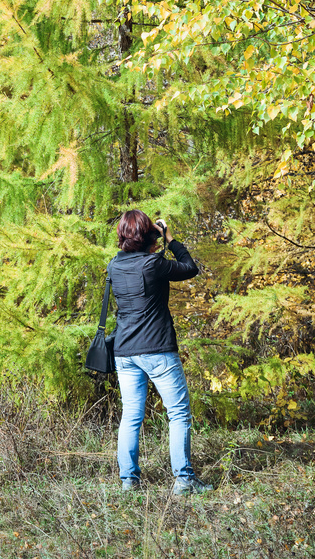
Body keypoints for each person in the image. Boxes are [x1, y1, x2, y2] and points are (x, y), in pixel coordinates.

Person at [107, 209, 212, 495]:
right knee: (178, 413)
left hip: (125, 352)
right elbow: (190, 267)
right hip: (157, 350)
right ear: (148, 237)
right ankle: (184, 479)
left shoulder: (114, 266)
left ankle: (129, 481)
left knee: (131, 415)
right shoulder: (154, 264)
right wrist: (170, 237)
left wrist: (154, 236)